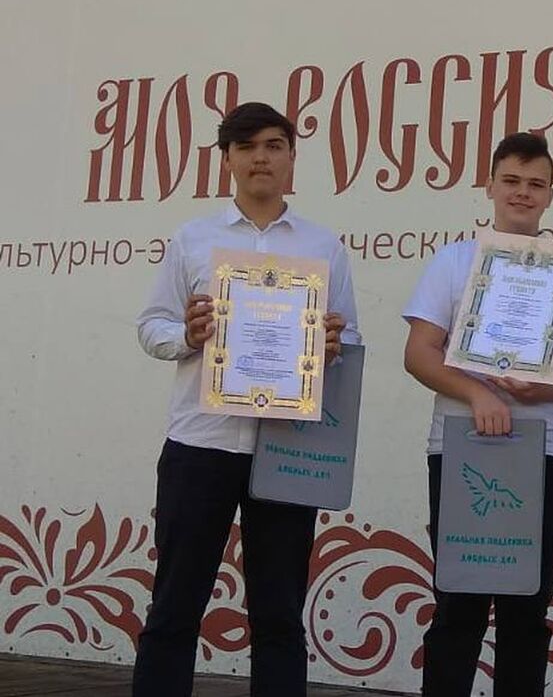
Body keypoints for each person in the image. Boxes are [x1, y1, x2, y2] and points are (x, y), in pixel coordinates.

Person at [133, 102, 360, 697]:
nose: (262, 157)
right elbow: (152, 327)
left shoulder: (323, 246)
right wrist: (189, 336)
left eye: (274, 145)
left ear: (292, 158)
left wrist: (333, 344)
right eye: (247, 146)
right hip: (200, 443)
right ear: (227, 158)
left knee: (280, 614)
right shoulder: (193, 239)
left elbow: (350, 340)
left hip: (288, 449)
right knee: (175, 605)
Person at [402, 132, 553, 696]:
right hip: (462, 444)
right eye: (512, 181)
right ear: (490, 186)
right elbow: (419, 352)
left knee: (527, 607)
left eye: (536, 184)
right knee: (458, 603)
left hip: (546, 449)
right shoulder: (454, 260)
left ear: (550, 195)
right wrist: (478, 395)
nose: (523, 193)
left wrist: (546, 392)